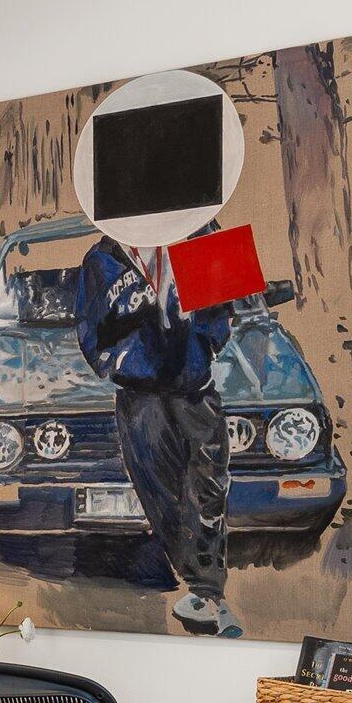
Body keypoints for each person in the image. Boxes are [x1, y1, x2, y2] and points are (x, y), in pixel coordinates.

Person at [77, 231, 240, 637]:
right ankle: (198, 585)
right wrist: (132, 366)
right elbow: (91, 334)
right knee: (162, 492)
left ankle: (208, 592)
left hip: (195, 389)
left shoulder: (205, 235)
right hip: (140, 398)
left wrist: (199, 352)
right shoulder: (102, 259)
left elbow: (226, 313)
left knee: (209, 484)